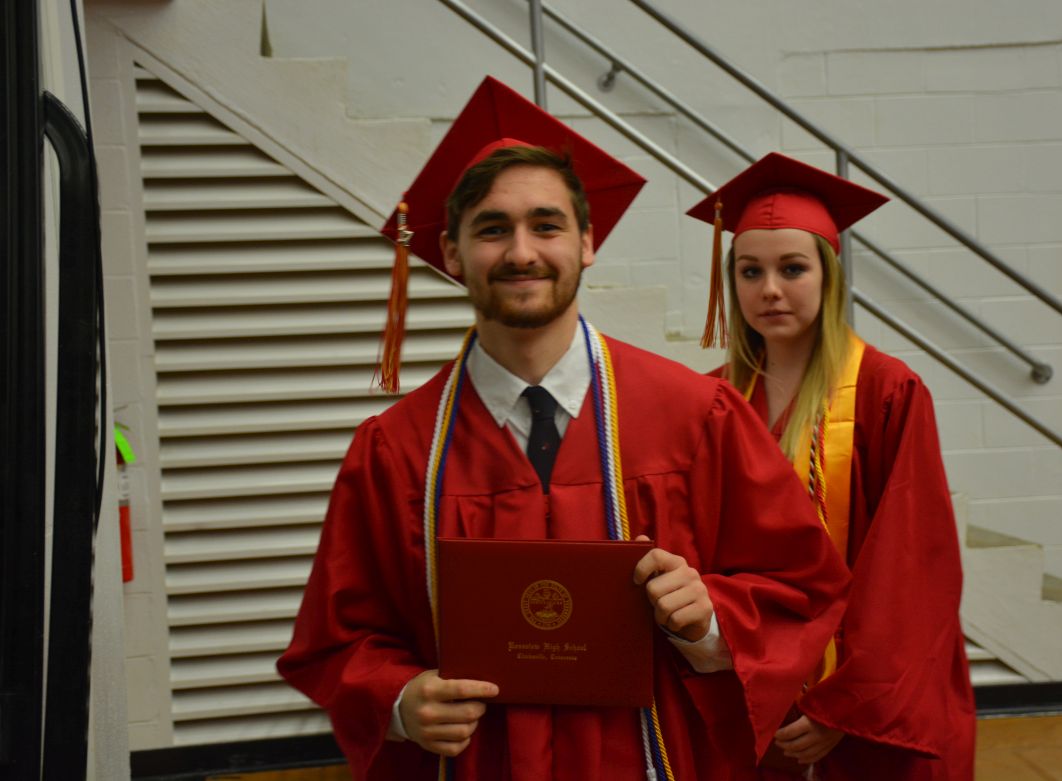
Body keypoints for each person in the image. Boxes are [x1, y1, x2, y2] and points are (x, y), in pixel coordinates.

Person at [277, 78, 850, 781]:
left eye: (546, 226)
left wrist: (709, 619)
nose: (522, 252)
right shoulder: (395, 449)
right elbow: (337, 639)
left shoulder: (695, 415)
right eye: (493, 229)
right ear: (452, 253)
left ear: (587, 243)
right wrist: (399, 699)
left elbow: (801, 584)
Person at [687, 153, 976, 780]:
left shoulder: (886, 391)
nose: (769, 289)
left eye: (792, 268)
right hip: (753, 685)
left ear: (829, 276)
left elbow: (911, 564)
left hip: (862, 696)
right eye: (750, 271)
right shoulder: (712, 401)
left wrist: (845, 704)